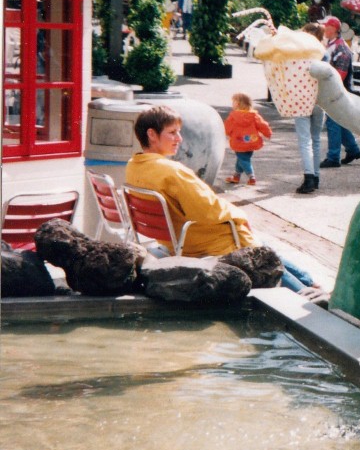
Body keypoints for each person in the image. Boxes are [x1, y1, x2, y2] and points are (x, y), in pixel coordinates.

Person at [125, 105, 328, 303]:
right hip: (199, 241)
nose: (179, 138)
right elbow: (207, 211)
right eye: (172, 133)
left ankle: (309, 284)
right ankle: (304, 295)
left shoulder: (134, 166)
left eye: (178, 132)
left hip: (175, 238)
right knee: (258, 251)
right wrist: (237, 215)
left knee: (261, 244)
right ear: (152, 135)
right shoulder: (172, 171)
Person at [318, 16, 360, 169]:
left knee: (333, 122)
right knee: (339, 121)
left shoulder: (341, 48)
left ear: (333, 28)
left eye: (325, 26)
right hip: (336, 91)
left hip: (337, 92)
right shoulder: (334, 45)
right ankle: (353, 150)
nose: (323, 29)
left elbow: (340, 74)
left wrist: (329, 89)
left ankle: (333, 157)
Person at [291, 23, 326, 194]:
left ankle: (309, 177)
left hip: (301, 99)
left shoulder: (299, 56)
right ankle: (316, 176)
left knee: (305, 140)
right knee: (316, 139)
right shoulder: (323, 53)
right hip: (320, 100)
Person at [223, 92, 272, 186]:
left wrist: (225, 133)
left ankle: (251, 176)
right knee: (242, 158)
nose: (232, 104)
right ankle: (236, 176)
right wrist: (268, 133)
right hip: (251, 141)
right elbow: (263, 125)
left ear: (237, 104)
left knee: (243, 159)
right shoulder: (254, 115)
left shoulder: (233, 116)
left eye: (233, 102)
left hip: (238, 141)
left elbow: (227, 128)